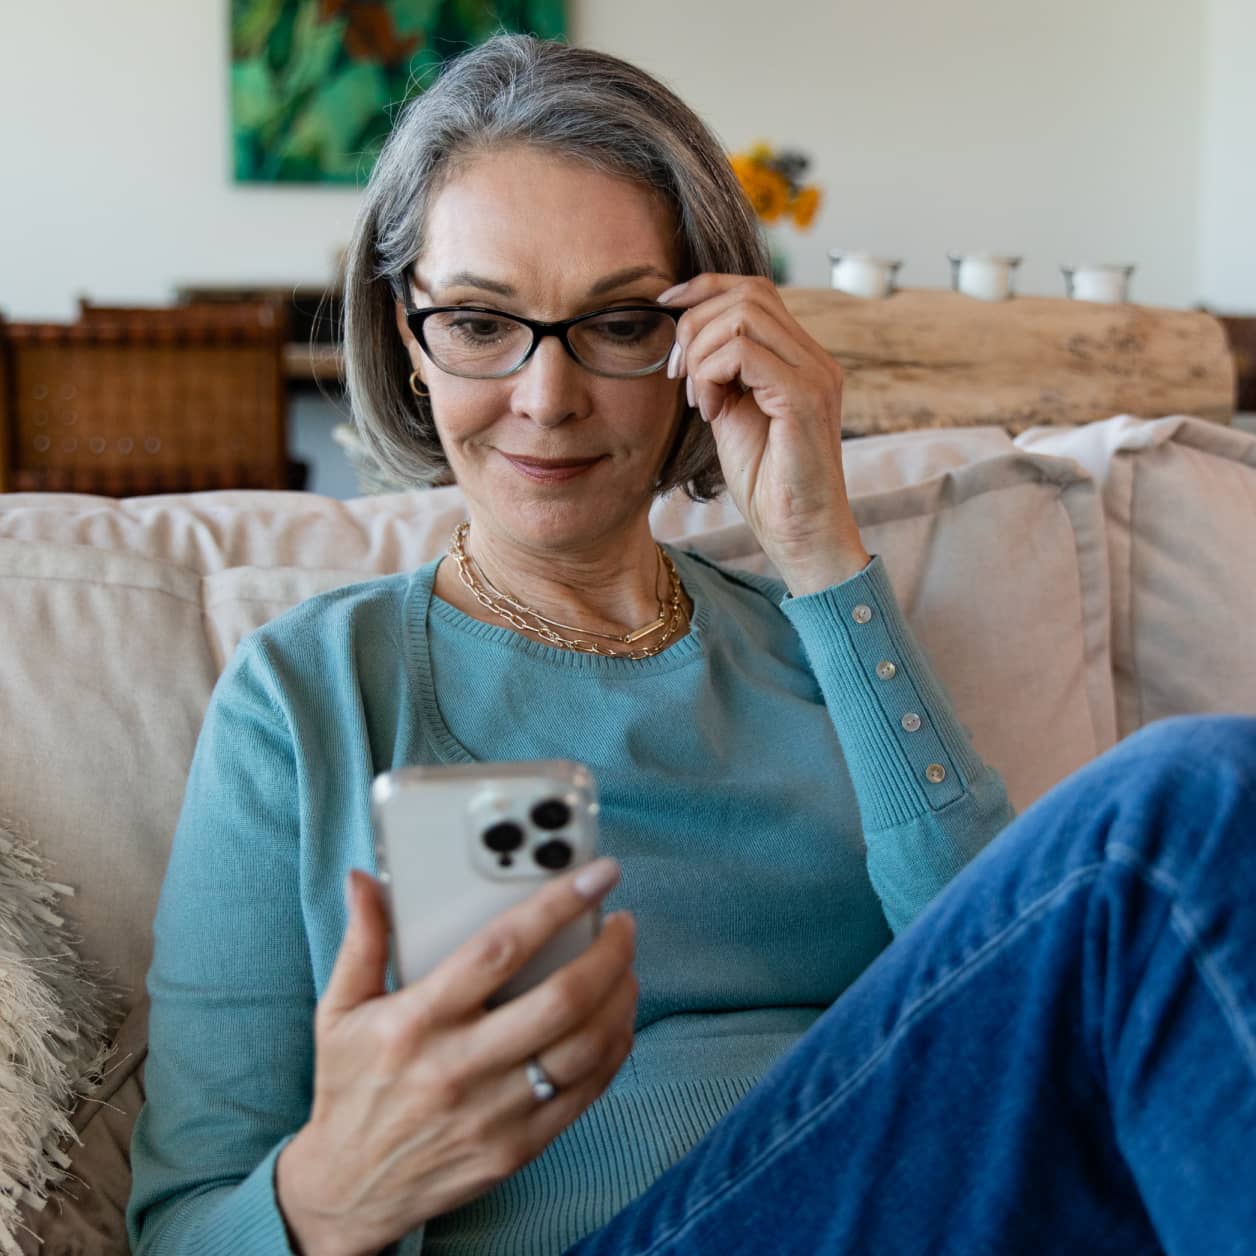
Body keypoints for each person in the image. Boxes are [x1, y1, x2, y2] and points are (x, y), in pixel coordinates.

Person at [126, 34, 1256, 1256]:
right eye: (477, 321)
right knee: (1184, 807)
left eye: (616, 322)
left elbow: (984, 964)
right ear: (406, 334)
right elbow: (182, 1221)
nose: (546, 398)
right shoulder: (309, 693)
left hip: (919, 1196)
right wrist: (334, 1189)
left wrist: (823, 552)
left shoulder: (816, 639)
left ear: (703, 336)